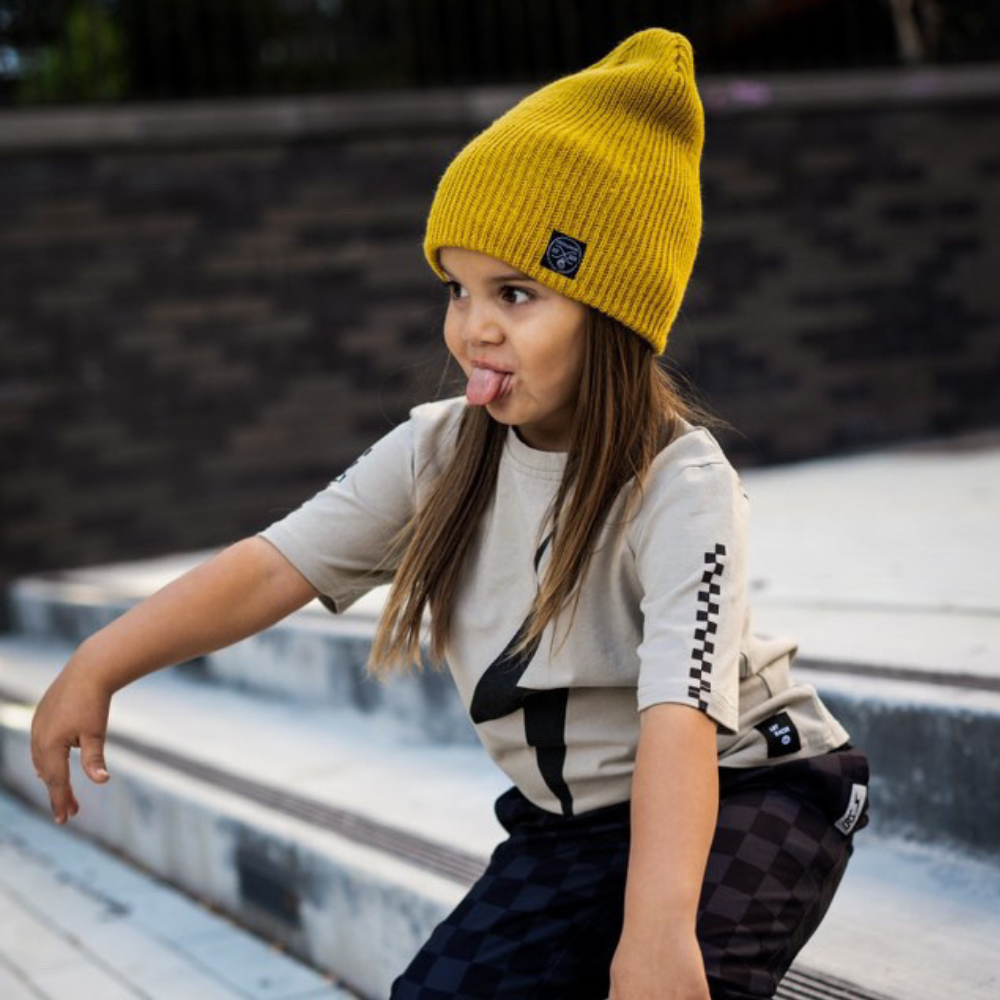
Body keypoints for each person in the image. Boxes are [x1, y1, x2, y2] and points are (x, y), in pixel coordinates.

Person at [30, 26, 871, 1000]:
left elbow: (678, 721)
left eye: (515, 293)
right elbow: (269, 567)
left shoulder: (681, 487)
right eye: (457, 289)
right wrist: (99, 663)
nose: (474, 327)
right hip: (576, 825)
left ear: (613, 314)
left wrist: (654, 933)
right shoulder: (437, 452)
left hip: (754, 788)